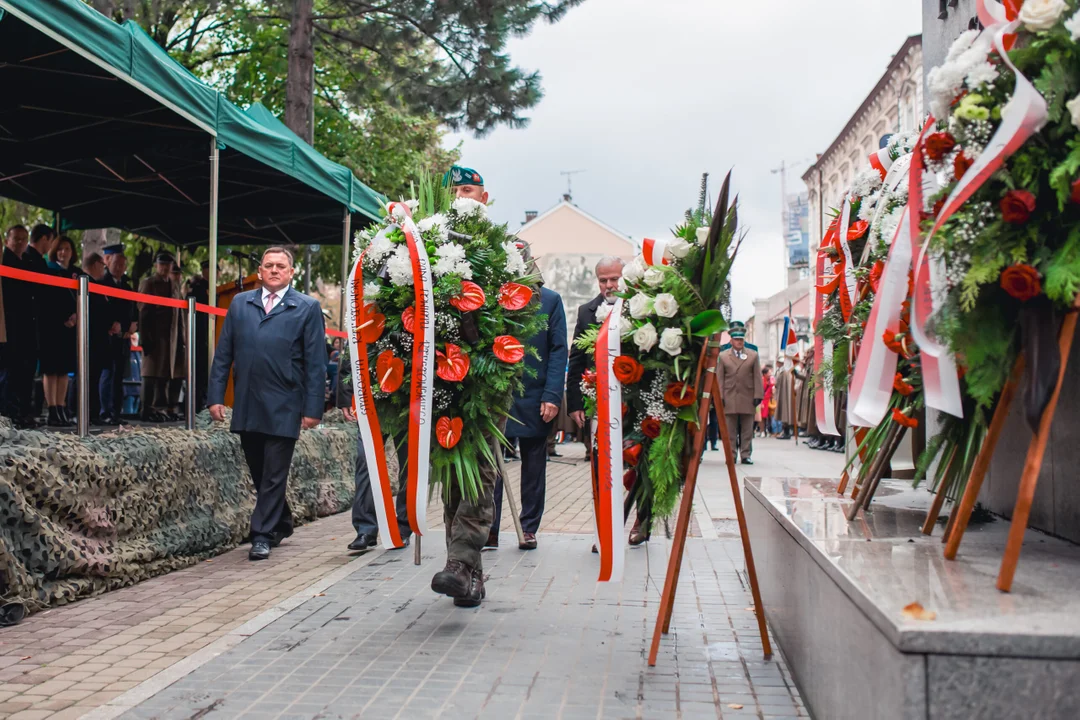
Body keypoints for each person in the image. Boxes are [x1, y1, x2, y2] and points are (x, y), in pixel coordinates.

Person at [208, 246, 325, 561]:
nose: (274, 270)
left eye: (281, 266)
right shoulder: (240, 304)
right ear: (259, 272)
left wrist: (314, 409)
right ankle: (282, 521)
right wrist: (215, 396)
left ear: (290, 272)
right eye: (268, 265)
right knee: (259, 471)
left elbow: (316, 363)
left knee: (274, 472)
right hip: (248, 401)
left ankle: (261, 534)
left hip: (286, 403)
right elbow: (224, 354)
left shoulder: (307, 307)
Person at [487, 248, 567, 552]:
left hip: (536, 396)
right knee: (492, 465)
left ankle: (529, 527)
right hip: (499, 394)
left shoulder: (550, 300)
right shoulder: (495, 296)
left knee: (534, 466)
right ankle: (489, 528)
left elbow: (559, 350)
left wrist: (552, 396)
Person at [567, 256, 625, 460]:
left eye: (614, 279)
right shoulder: (586, 312)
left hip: (630, 398)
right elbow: (576, 361)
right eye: (603, 280)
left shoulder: (638, 308)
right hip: (596, 399)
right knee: (600, 459)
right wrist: (575, 404)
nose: (609, 285)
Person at [138, 253, 184, 422]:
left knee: (164, 375)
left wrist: (182, 338)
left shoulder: (174, 284)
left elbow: (179, 314)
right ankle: (146, 408)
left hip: (170, 338)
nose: (165, 268)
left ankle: (159, 409)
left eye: (168, 264)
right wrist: (145, 338)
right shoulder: (149, 283)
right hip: (154, 335)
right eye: (162, 264)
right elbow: (143, 312)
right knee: (150, 375)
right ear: (156, 265)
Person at [1, 226, 37, 428]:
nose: (20, 242)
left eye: (24, 239)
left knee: (26, 369)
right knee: (9, 370)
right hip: (9, 323)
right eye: (16, 239)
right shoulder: (4, 261)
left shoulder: (29, 262)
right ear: (8, 240)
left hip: (27, 324)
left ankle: (23, 411)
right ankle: (8, 412)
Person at [40, 237, 79, 427]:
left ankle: (61, 407)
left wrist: (76, 316)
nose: (64, 253)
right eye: (60, 249)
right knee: (51, 369)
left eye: (68, 249)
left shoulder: (75, 273)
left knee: (64, 370)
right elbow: (47, 300)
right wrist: (64, 317)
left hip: (70, 327)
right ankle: (52, 409)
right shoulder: (49, 270)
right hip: (52, 327)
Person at [99, 244, 136, 425]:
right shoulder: (102, 283)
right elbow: (103, 310)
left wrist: (132, 325)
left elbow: (133, 310)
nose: (120, 268)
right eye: (116, 264)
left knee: (119, 377)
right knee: (107, 375)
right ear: (109, 263)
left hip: (123, 338)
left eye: (122, 264)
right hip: (108, 337)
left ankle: (116, 411)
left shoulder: (127, 286)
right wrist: (112, 324)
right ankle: (104, 411)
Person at [717, 321, 762, 464]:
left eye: (741, 339)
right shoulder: (723, 356)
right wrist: (720, 397)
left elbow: (757, 376)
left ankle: (746, 454)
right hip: (729, 397)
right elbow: (720, 378)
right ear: (731, 341)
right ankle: (731, 455)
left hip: (747, 397)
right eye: (736, 339)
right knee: (730, 431)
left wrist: (758, 395)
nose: (739, 342)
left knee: (747, 430)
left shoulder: (752, 355)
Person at [81, 253, 115, 425]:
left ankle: (93, 412)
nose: (104, 268)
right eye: (103, 264)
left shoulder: (97, 285)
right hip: (90, 337)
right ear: (95, 264)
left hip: (99, 338)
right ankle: (85, 412)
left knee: (94, 377)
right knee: (88, 376)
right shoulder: (86, 282)